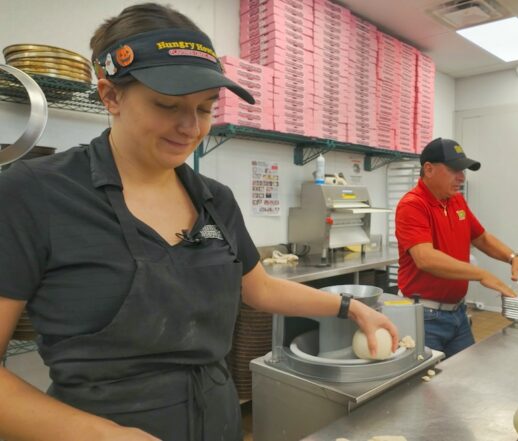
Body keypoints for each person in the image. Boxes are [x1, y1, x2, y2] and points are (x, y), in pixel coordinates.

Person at [0, 4, 398, 441]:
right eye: (167, 105)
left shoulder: (215, 200)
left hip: (217, 421)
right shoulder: (34, 194)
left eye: (206, 108)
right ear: (110, 95)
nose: (190, 127)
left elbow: (259, 287)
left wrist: (350, 307)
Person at [395, 137, 518, 358]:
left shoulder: (456, 201)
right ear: (429, 169)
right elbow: (426, 258)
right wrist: (480, 274)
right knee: (425, 387)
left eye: (463, 170)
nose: (461, 177)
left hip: (458, 314)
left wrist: (513, 257)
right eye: (454, 170)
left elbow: (481, 238)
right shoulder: (413, 205)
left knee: (465, 378)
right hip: (424, 317)